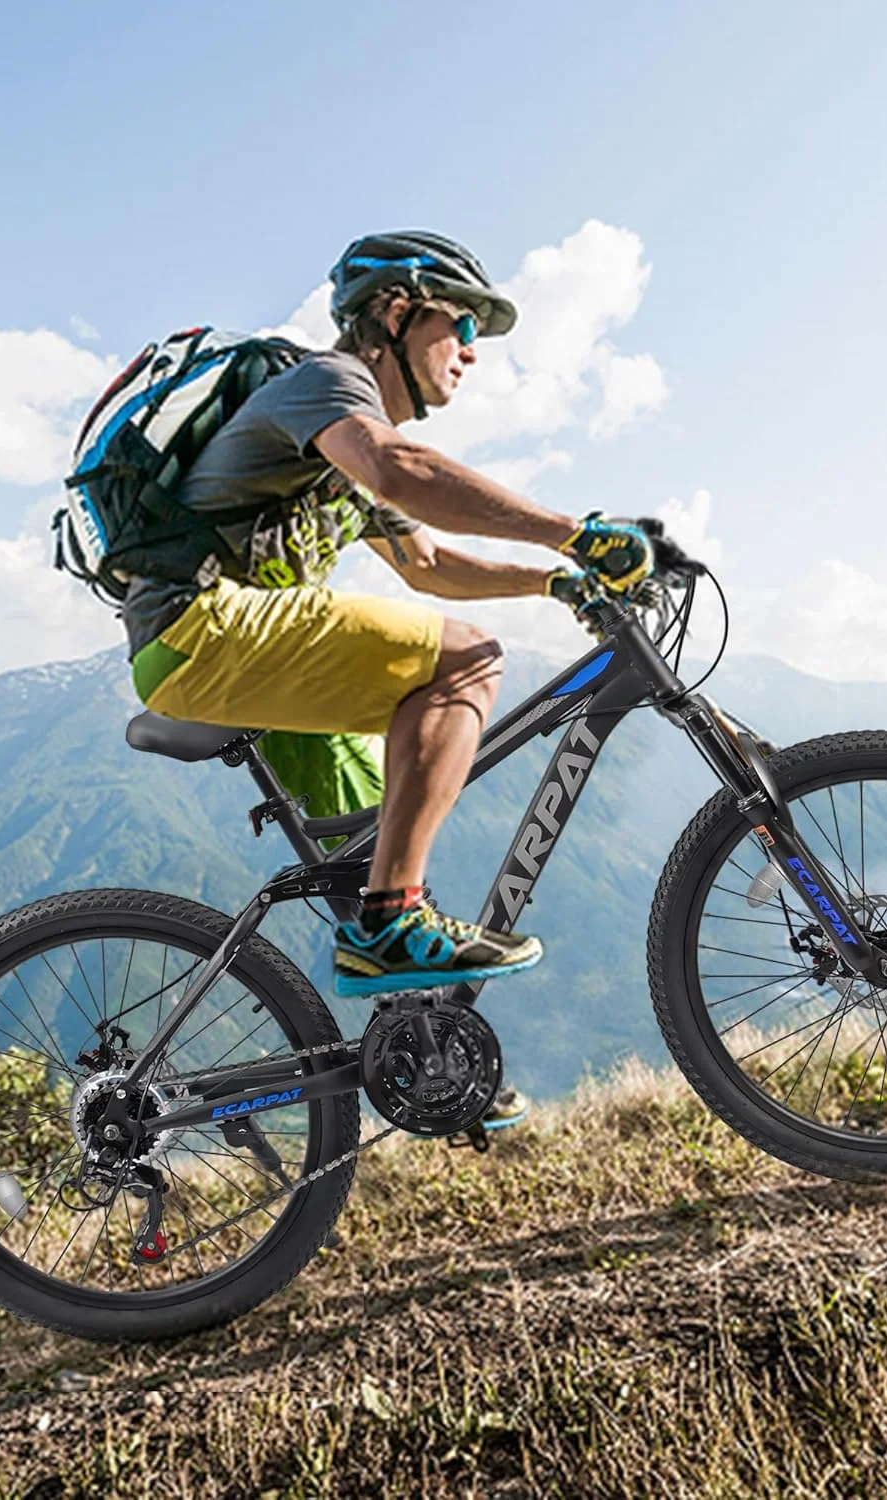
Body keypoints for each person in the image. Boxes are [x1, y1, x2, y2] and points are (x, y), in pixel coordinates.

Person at [120, 233, 654, 1124]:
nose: (473, 349)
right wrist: (572, 532)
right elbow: (406, 475)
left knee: (373, 848)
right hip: (201, 626)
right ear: (398, 315)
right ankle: (389, 923)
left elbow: (430, 562)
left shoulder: (339, 446)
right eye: (461, 322)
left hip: (227, 651)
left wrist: (558, 580)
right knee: (469, 660)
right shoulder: (329, 388)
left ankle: (432, 1063)